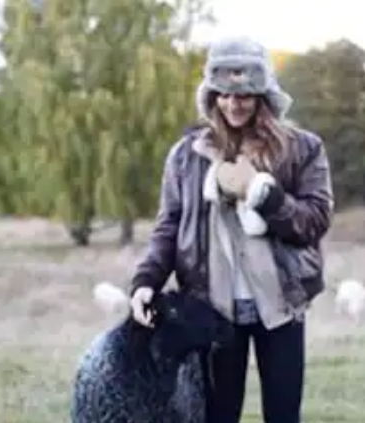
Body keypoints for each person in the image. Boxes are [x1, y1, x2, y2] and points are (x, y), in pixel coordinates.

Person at [129, 36, 334, 423]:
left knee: (283, 415)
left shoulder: (303, 149)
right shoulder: (186, 156)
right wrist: (146, 280)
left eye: (243, 95)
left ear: (262, 95)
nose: (232, 104)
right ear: (211, 96)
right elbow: (168, 227)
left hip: (281, 307)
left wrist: (264, 195)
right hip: (213, 309)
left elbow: (315, 220)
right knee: (217, 416)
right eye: (222, 94)